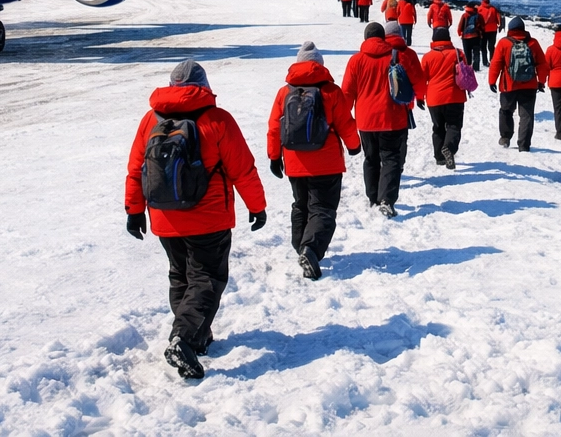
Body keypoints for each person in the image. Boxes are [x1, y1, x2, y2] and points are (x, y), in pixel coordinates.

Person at [124, 60, 266, 381]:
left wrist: (134, 211)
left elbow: (136, 169)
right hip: (209, 219)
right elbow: (242, 169)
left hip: (164, 218)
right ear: (203, 85)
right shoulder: (217, 120)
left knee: (181, 277)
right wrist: (257, 206)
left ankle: (195, 335)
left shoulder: (151, 120)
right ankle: (184, 338)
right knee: (207, 280)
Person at [266, 42, 361, 280]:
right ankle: (311, 249)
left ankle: (300, 246)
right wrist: (354, 146)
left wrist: (274, 156)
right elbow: (345, 124)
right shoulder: (331, 91)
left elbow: (275, 127)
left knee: (301, 204)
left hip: (295, 160)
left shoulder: (284, 92)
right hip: (326, 161)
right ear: (319, 65)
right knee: (323, 208)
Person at [341, 21, 425, 217]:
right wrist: (419, 97)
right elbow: (417, 81)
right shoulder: (397, 57)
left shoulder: (356, 60)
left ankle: (373, 197)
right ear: (383, 37)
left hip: (365, 120)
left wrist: (343, 119)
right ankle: (386, 199)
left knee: (371, 158)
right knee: (391, 159)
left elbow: (347, 93)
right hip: (393, 118)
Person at [488, 17, 546, 152]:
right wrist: (541, 81)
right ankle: (524, 145)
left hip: (509, 85)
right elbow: (542, 64)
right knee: (526, 116)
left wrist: (492, 80)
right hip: (529, 85)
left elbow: (496, 64)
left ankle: (505, 137)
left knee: (506, 111)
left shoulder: (504, 43)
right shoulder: (533, 43)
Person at [419, 26, 470, 168]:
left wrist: (419, 97)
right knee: (454, 125)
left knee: (438, 127)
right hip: (455, 96)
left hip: (434, 98)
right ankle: (449, 148)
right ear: (448, 38)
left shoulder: (428, 57)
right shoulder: (458, 54)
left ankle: (440, 157)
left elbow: (422, 79)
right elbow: (465, 71)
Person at [457, 3, 485, 68]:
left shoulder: (464, 15)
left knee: (467, 53)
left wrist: (459, 33)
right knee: (476, 53)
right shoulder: (479, 16)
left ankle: (468, 66)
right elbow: (483, 26)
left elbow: (460, 26)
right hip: (476, 36)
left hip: (465, 37)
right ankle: (476, 67)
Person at [478, 0, 502, 65]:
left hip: (483, 30)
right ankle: (492, 60)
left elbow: (476, 20)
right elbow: (498, 19)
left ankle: (485, 62)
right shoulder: (494, 9)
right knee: (491, 46)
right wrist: (499, 26)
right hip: (493, 30)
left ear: (482, 2)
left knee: (483, 47)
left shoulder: (479, 9)